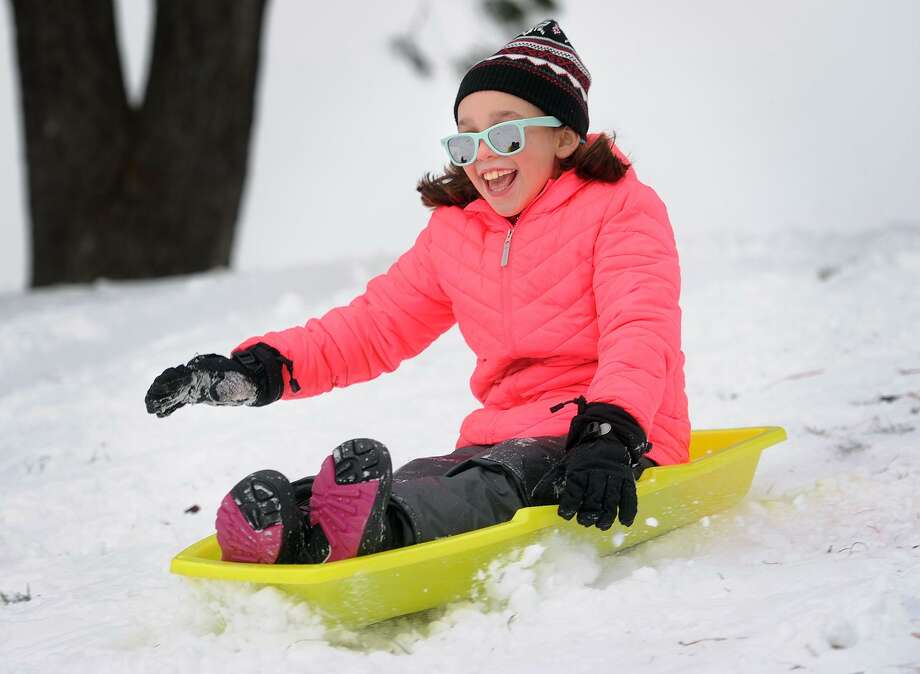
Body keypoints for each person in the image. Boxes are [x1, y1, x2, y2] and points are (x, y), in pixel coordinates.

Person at [145, 19, 690, 565]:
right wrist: (261, 368)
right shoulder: (459, 231)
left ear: (565, 137)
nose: (483, 156)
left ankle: (383, 531)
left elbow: (639, 329)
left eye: (505, 134)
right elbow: (375, 326)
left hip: (613, 446)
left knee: (494, 484)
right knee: (431, 473)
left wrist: (608, 431)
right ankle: (299, 522)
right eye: (466, 139)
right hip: (499, 438)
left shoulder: (621, 209)